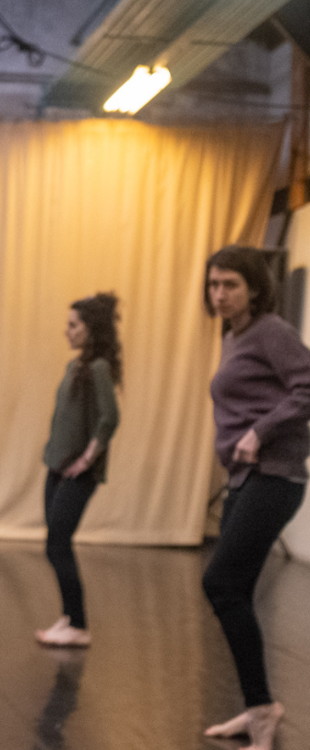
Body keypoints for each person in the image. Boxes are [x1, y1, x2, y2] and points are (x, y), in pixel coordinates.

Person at [200, 247, 309, 750]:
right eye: (214, 284)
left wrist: (260, 432)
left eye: (230, 285)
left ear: (255, 288)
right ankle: (257, 708)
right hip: (247, 477)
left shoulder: (271, 331)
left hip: (275, 475)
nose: (219, 294)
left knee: (221, 583)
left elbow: (307, 386)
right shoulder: (235, 336)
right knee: (233, 592)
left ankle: (262, 711)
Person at [35, 293, 121, 648]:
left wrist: (87, 459)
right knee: (54, 544)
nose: (66, 331)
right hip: (56, 467)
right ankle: (70, 617)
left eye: (73, 325)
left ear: (92, 329)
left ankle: (79, 624)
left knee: (58, 544)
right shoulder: (76, 366)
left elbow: (110, 417)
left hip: (76, 473)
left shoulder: (99, 367)